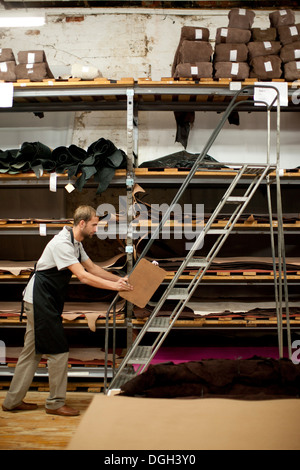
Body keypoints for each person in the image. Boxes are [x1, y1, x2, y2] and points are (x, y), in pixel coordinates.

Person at [2, 205, 133, 417]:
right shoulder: (62, 243)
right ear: (82, 223)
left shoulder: (75, 242)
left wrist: (119, 279)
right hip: (39, 300)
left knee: (31, 353)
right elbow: (83, 276)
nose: (96, 229)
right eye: (94, 225)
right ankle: (54, 403)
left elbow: (92, 268)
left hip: (45, 300)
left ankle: (12, 401)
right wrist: (115, 288)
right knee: (59, 351)